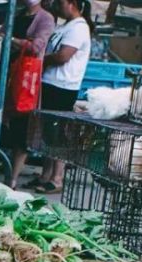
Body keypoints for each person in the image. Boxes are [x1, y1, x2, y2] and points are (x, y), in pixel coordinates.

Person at [32, 0, 93, 194]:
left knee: (58, 134)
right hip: (51, 83)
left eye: (60, 2)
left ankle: (57, 178)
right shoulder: (66, 25)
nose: (57, 6)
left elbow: (62, 56)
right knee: (48, 133)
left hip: (63, 86)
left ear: (72, 3)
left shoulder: (79, 28)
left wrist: (42, 59)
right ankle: (45, 174)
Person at [1, 0, 56, 188]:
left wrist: (12, 40)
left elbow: (36, 47)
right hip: (7, 75)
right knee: (5, 125)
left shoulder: (46, 18)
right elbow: (0, 33)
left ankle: (12, 180)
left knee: (21, 129)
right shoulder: (17, 14)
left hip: (26, 79)